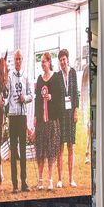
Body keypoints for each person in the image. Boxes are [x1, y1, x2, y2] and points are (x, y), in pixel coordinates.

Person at [33, 51, 64, 190]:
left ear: (49, 62)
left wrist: (52, 97)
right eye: (41, 62)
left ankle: (50, 179)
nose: (42, 64)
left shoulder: (56, 77)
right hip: (41, 121)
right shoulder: (39, 79)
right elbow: (37, 100)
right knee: (41, 151)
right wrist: (35, 116)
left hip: (52, 120)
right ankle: (40, 180)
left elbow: (60, 97)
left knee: (51, 151)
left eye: (44, 61)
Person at [4, 50, 32, 193]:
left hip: (22, 117)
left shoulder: (26, 76)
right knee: (14, 151)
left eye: (20, 58)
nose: (18, 61)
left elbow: (31, 95)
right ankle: (14, 184)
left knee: (23, 150)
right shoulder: (9, 77)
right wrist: (3, 102)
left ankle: (24, 182)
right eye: (16, 59)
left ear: (23, 60)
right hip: (12, 117)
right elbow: (6, 96)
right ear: (13, 60)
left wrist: (25, 98)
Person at [57, 49, 80, 188]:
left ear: (67, 59)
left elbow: (75, 92)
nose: (62, 62)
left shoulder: (73, 73)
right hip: (61, 115)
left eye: (64, 59)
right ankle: (60, 179)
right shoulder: (58, 75)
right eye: (60, 60)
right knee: (60, 148)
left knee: (70, 146)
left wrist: (76, 111)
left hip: (71, 114)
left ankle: (71, 179)